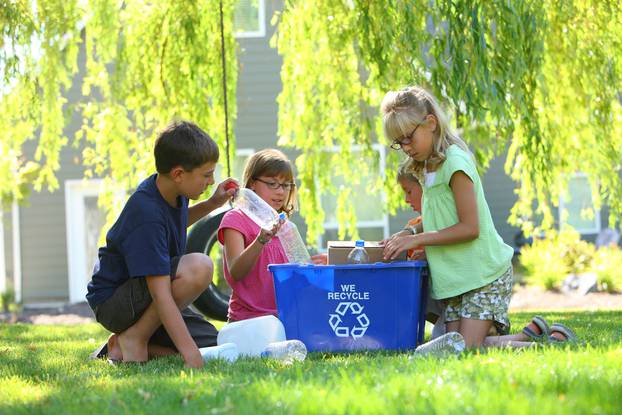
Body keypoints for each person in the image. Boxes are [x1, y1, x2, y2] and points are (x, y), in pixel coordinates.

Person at [381, 86, 577, 348]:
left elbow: (469, 227)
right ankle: (527, 337)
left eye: (408, 137)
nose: (404, 147)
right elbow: (442, 219)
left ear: (430, 123)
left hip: (483, 276)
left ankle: (549, 346)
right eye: (398, 142)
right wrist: (410, 233)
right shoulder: (427, 168)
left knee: (466, 348)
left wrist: (418, 241)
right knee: (453, 346)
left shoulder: (455, 163)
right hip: (456, 281)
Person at [86, 120, 237, 368]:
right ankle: (136, 337)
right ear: (179, 174)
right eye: (206, 175)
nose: (211, 181)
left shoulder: (170, 191)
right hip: (115, 302)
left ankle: (119, 344)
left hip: (144, 298)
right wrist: (190, 355)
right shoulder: (146, 212)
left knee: (213, 343)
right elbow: (160, 292)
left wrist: (212, 204)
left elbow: (173, 223)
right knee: (199, 266)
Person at [218, 149, 326, 322]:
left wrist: (316, 267)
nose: (280, 192)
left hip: (285, 317)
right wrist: (260, 240)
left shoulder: (287, 227)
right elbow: (236, 272)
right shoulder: (236, 219)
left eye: (285, 185)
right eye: (272, 184)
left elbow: (296, 280)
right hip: (249, 320)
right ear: (252, 183)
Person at [382, 159, 446, 339]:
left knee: (443, 339)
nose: (406, 199)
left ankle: (489, 324)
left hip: (454, 295)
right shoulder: (413, 225)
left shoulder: (445, 220)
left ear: (425, 188)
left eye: (409, 191)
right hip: (437, 302)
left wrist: (429, 254)